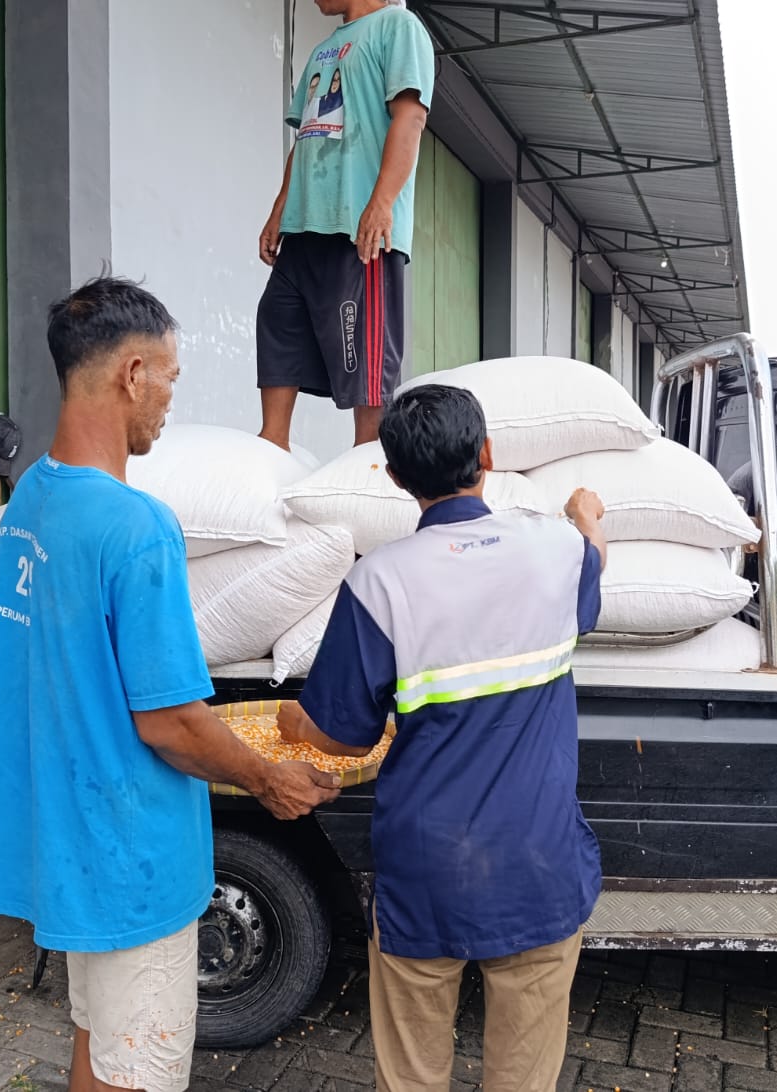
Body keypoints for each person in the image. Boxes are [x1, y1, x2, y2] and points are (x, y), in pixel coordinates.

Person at [0, 276, 342, 1092]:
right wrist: (268, 777)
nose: (171, 401)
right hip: (131, 849)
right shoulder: (137, 529)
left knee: (98, 1042)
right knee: (138, 1065)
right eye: (170, 378)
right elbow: (170, 723)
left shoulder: (32, 499)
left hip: (69, 836)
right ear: (132, 373)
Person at [278, 384, 608, 1091]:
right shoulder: (557, 551)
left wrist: (293, 723)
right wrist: (586, 515)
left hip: (427, 871)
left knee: (412, 1075)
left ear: (394, 477)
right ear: (486, 455)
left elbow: (340, 736)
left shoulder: (378, 584)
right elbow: (593, 560)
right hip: (538, 865)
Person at [256, 0, 434, 450]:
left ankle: (370, 484)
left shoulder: (399, 29)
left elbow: (410, 120)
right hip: (306, 230)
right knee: (275, 327)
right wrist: (279, 209)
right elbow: (307, 136)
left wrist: (381, 205)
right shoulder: (322, 51)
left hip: (361, 234)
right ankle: (272, 449)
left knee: (368, 380)